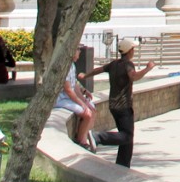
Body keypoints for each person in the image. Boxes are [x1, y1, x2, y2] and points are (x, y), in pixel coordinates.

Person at [80, 38, 155, 167]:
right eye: (133, 49)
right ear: (130, 51)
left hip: (113, 106)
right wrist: (147, 68)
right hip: (123, 106)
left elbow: (99, 70)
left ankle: (122, 166)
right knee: (127, 136)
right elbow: (134, 77)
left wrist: (85, 75)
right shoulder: (128, 64)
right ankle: (98, 137)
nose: (134, 51)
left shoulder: (114, 64)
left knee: (127, 140)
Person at [56, 45, 97, 151]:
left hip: (68, 97)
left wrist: (84, 99)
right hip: (61, 99)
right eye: (78, 49)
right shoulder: (64, 66)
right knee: (87, 113)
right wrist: (82, 104)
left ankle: (85, 136)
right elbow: (68, 90)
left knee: (92, 108)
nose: (80, 52)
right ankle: (81, 142)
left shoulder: (72, 65)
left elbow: (75, 87)